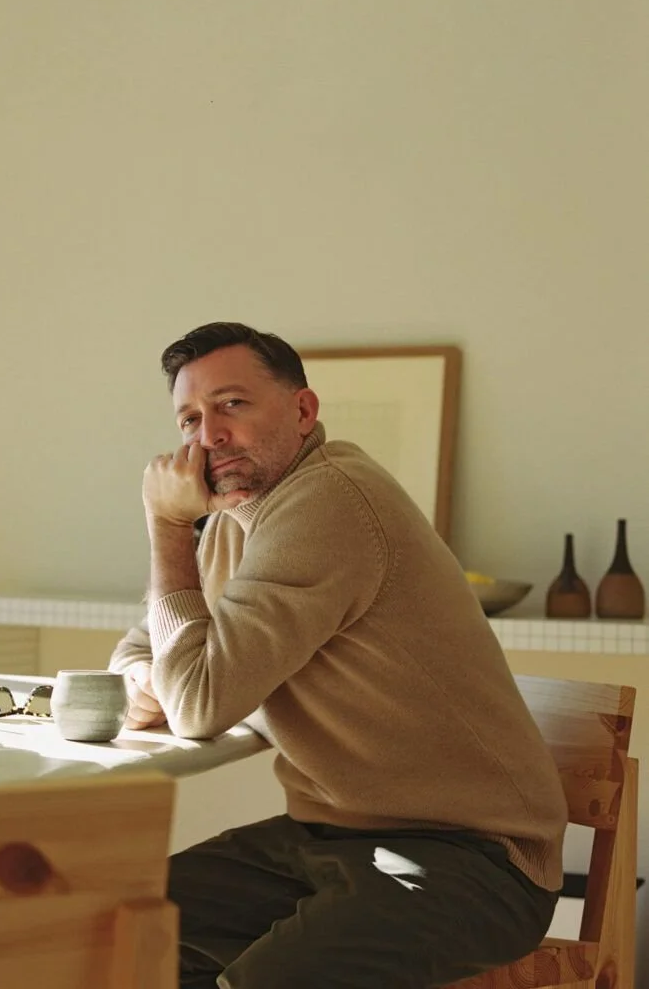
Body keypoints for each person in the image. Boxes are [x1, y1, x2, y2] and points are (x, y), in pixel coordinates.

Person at [109, 321, 567, 989]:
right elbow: (140, 646)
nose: (207, 436)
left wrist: (167, 523)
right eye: (189, 419)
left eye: (231, 404)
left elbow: (200, 705)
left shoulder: (326, 503)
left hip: (469, 860)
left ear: (302, 410)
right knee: (117, 932)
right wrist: (142, 676)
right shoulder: (238, 522)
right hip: (328, 837)